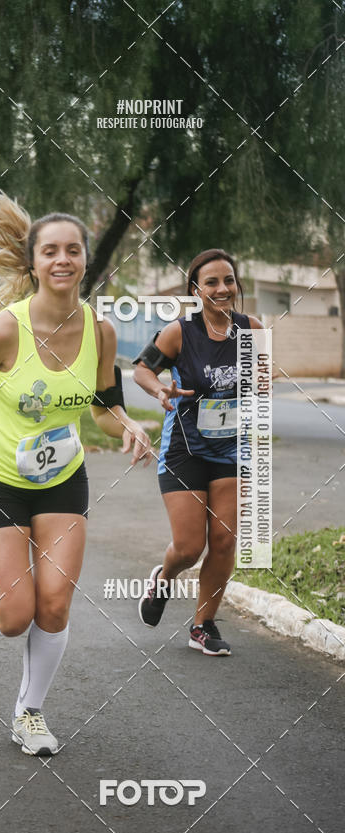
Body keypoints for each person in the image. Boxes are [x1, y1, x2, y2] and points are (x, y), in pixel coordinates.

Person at [0, 192, 152, 755]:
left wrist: (126, 424)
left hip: (62, 481)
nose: (63, 260)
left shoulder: (101, 332)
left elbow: (102, 407)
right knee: (15, 614)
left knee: (53, 605)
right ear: (32, 264)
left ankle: (29, 713)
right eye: (50, 251)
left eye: (73, 250)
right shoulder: (7, 330)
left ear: (85, 261)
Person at [133, 248, 264, 656]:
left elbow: (261, 378)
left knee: (224, 541)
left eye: (228, 280)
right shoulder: (180, 333)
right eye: (212, 282)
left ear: (236, 285)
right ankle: (164, 577)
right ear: (196, 290)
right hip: (184, 451)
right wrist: (159, 390)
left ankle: (202, 625)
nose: (222, 288)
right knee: (190, 547)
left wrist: (262, 382)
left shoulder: (252, 329)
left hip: (231, 451)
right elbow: (142, 369)